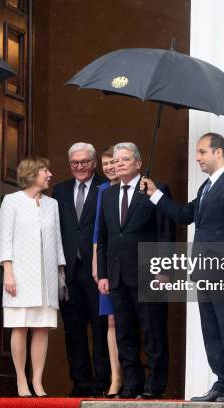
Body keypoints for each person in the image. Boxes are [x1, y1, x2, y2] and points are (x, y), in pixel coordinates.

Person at [141, 132, 224, 403]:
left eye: (202, 152)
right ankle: (223, 381)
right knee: (211, 328)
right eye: (197, 152)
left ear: (218, 152)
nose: (197, 157)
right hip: (203, 270)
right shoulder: (206, 188)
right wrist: (155, 194)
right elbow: (184, 215)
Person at [96, 142, 175, 400]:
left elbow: (166, 233)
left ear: (138, 163)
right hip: (117, 275)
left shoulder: (154, 189)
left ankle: (155, 385)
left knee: (152, 331)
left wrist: (163, 270)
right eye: (116, 160)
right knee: (125, 332)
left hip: (148, 273)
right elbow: (105, 237)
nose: (118, 164)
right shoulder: (107, 194)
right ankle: (132, 384)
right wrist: (104, 274)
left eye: (125, 159)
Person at [0, 156, 66, 398]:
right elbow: (5, 239)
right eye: (45, 170)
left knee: (42, 328)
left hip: (47, 276)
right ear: (31, 174)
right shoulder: (12, 201)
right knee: (20, 326)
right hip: (20, 275)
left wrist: (61, 274)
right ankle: (21, 380)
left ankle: (37, 381)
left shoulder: (52, 204)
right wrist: (8, 271)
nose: (49, 174)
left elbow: (57, 240)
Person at [52, 143, 109, 397]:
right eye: (75, 163)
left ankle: (101, 383)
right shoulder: (60, 190)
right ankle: (80, 382)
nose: (80, 167)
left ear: (94, 162)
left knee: (100, 329)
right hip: (70, 272)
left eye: (84, 162)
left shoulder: (105, 188)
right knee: (73, 330)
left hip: (96, 270)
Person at [91, 146, 122, 398]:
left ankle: (128, 373)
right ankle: (115, 377)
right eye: (105, 164)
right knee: (110, 320)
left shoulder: (137, 187)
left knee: (127, 320)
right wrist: (96, 265)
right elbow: (98, 232)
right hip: (106, 261)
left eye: (113, 162)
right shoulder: (102, 190)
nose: (109, 167)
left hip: (128, 264)